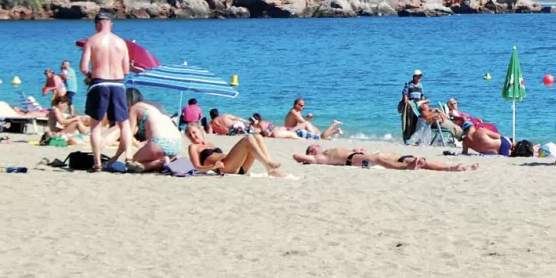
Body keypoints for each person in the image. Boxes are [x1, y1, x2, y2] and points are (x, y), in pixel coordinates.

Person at [80, 10, 135, 172]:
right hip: (118, 84)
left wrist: (91, 75)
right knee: (124, 123)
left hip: (99, 83)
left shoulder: (91, 41)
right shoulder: (121, 43)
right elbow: (126, 70)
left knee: (95, 126)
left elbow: (83, 68)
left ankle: (97, 162)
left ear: (97, 24)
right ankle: (129, 156)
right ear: (111, 24)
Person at [182, 124, 286, 177]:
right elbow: (196, 167)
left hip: (240, 167)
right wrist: (212, 167)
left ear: (200, 131)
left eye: (194, 132)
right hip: (225, 168)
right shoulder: (193, 147)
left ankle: (271, 170)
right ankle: (268, 164)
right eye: (189, 135)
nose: (192, 136)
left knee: (258, 137)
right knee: (247, 139)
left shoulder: (211, 144)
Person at [295, 143, 478, 171]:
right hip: (355, 161)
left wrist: (358, 148)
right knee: (382, 161)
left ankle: (450, 168)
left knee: (409, 157)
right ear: (311, 152)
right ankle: (406, 168)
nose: (317, 146)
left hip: (361, 155)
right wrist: (305, 156)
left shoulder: (328, 151)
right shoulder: (320, 158)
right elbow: (297, 156)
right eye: (314, 147)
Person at [128, 91, 188, 171]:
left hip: (159, 143)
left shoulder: (134, 108)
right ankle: (169, 160)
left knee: (132, 163)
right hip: (177, 143)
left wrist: (117, 156)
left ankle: (160, 162)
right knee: (147, 160)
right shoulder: (158, 106)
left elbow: (128, 134)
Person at [400, 70, 425, 143]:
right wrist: (406, 103)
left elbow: (422, 96)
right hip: (410, 106)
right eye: (418, 76)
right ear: (414, 76)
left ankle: (416, 138)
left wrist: (423, 103)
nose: (420, 77)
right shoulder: (408, 85)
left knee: (417, 122)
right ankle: (407, 138)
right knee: (409, 122)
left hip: (418, 106)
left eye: (420, 76)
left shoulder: (421, 85)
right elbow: (405, 95)